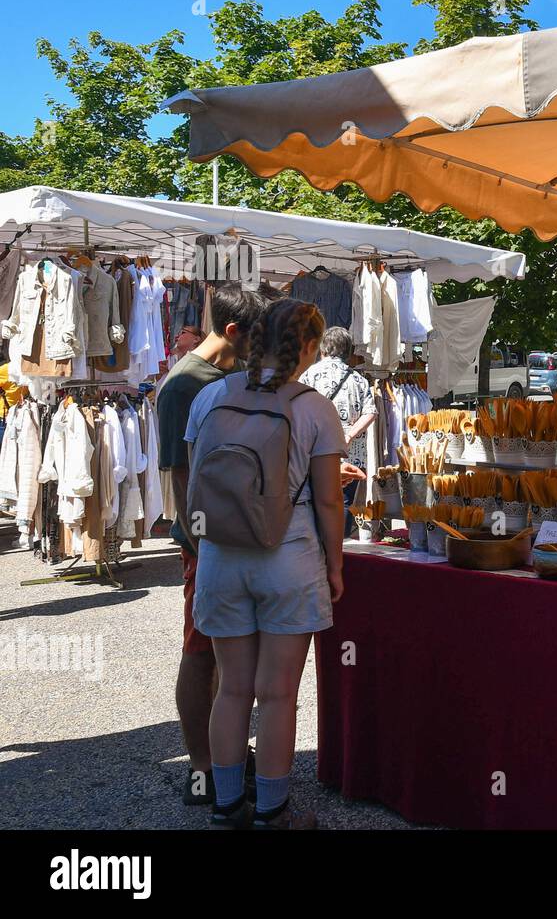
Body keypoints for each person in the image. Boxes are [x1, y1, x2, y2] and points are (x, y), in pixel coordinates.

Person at [186, 299, 346, 829]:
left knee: (232, 688)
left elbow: (198, 483)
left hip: (219, 557)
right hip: (288, 558)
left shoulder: (210, 396)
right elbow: (328, 501)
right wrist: (336, 565)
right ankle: (274, 811)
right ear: (305, 347)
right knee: (277, 694)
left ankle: (227, 804)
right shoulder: (314, 406)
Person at [156, 285, 266, 807]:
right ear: (232, 333)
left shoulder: (222, 378)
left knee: (227, 651)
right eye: (253, 337)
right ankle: (201, 768)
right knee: (200, 651)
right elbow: (179, 475)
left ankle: (225, 756)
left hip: (231, 539)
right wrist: (199, 542)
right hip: (204, 544)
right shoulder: (183, 386)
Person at [299, 326, 374, 537]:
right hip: (351, 453)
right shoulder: (359, 380)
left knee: (316, 498)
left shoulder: (309, 374)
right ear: (348, 351)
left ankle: (318, 546)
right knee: (344, 501)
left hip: (318, 450)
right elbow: (371, 413)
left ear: (323, 349)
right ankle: (340, 548)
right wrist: (349, 435)